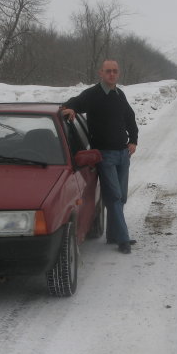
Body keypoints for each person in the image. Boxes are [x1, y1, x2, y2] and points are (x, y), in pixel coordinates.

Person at [61, 60, 138, 254]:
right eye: (108, 71)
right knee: (114, 196)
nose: (112, 74)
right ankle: (123, 239)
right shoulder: (92, 94)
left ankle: (113, 235)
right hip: (105, 155)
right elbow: (73, 103)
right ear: (101, 73)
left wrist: (133, 140)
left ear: (118, 73)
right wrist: (70, 108)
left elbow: (130, 117)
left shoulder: (119, 94)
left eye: (115, 71)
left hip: (123, 154)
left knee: (121, 197)